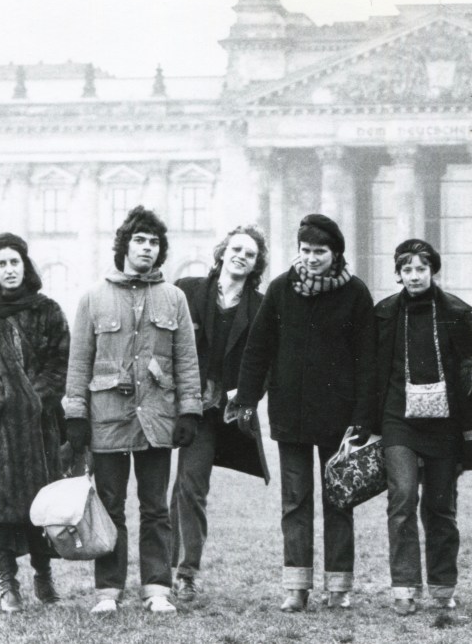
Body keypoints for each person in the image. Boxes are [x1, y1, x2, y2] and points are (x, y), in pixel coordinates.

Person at [233, 213, 376, 612]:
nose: (311, 258)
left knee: (339, 501)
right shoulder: (280, 289)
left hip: (340, 421)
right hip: (290, 416)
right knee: (295, 501)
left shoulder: (356, 294)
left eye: (320, 252)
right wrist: (246, 400)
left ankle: (339, 587)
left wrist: (363, 417)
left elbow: (368, 361)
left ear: (336, 253)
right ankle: (296, 587)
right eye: (306, 250)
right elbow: (258, 348)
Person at [63, 205, 202, 615]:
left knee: (156, 507)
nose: (147, 248)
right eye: (139, 240)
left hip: (156, 419)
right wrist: (76, 416)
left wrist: (189, 411)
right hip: (106, 418)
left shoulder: (175, 298)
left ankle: (157, 588)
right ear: (124, 246)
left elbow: (186, 360)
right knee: (110, 507)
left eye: (154, 242)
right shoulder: (93, 298)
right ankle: (108, 592)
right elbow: (79, 363)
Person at [0, 233, 71, 613]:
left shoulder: (48, 311)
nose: (9, 270)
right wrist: (5, 402)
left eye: (14, 262)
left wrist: (34, 400)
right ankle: (8, 585)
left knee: (43, 505)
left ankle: (44, 576)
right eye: (1, 264)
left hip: (39, 427)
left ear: (25, 265)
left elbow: (60, 363)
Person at [373, 239, 472, 616]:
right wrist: (367, 423)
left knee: (440, 506)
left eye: (421, 268)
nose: (414, 276)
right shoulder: (384, 313)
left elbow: (469, 363)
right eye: (407, 269)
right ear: (398, 273)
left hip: (444, 424)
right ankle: (404, 587)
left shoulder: (456, 313)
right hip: (398, 420)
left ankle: (442, 586)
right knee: (402, 497)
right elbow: (373, 371)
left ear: (433, 270)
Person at [170, 224, 271, 602]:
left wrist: (244, 396)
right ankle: (166, 568)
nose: (242, 256)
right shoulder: (187, 290)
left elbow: (265, 362)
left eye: (250, 254)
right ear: (223, 252)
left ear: (256, 264)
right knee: (182, 487)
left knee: (191, 486)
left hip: (220, 413)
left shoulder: (260, 306)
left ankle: (186, 572)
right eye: (237, 249)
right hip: (181, 405)